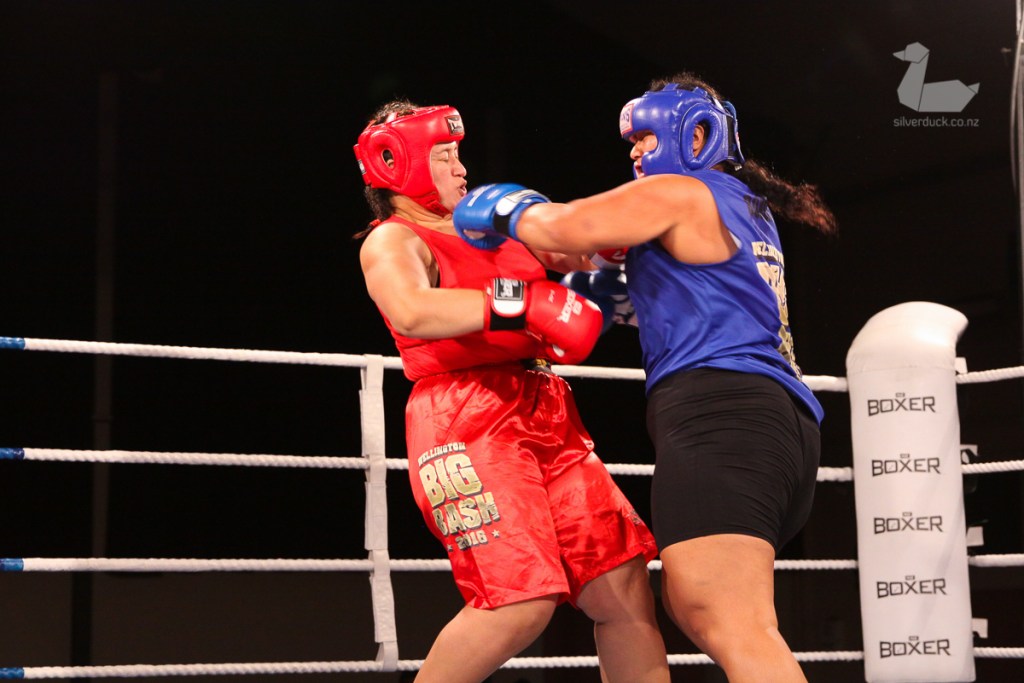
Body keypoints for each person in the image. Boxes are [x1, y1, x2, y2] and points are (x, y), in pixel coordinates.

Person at [452, 73, 838, 683]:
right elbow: (692, 300)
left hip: (724, 415)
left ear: (695, 134)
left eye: (645, 137)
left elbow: (563, 228)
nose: (635, 151)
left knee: (729, 619)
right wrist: (612, 295)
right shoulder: (741, 205)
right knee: (702, 609)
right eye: (630, 142)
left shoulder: (681, 192)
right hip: (772, 423)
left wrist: (504, 207)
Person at [354, 99, 670, 683]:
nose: (460, 168)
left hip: (545, 405)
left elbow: (580, 250)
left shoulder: (486, 221)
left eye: (458, 154)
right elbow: (411, 309)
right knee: (518, 602)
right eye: (444, 156)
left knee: (623, 588)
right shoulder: (392, 240)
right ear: (400, 166)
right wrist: (525, 302)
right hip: (463, 416)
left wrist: (622, 242)